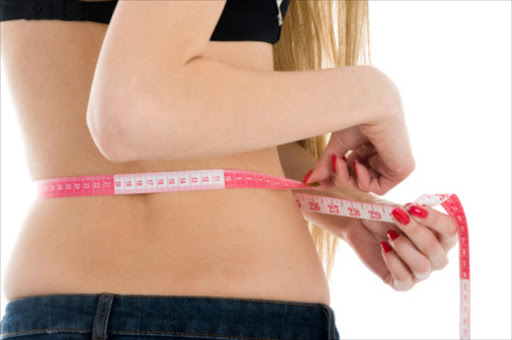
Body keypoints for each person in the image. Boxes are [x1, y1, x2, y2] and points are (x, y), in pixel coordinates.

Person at [0, 1, 459, 339]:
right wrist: (372, 94)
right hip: (234, 316)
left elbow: (181, 124)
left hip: (50, 311)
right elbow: (133, 111)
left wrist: (351, 210)